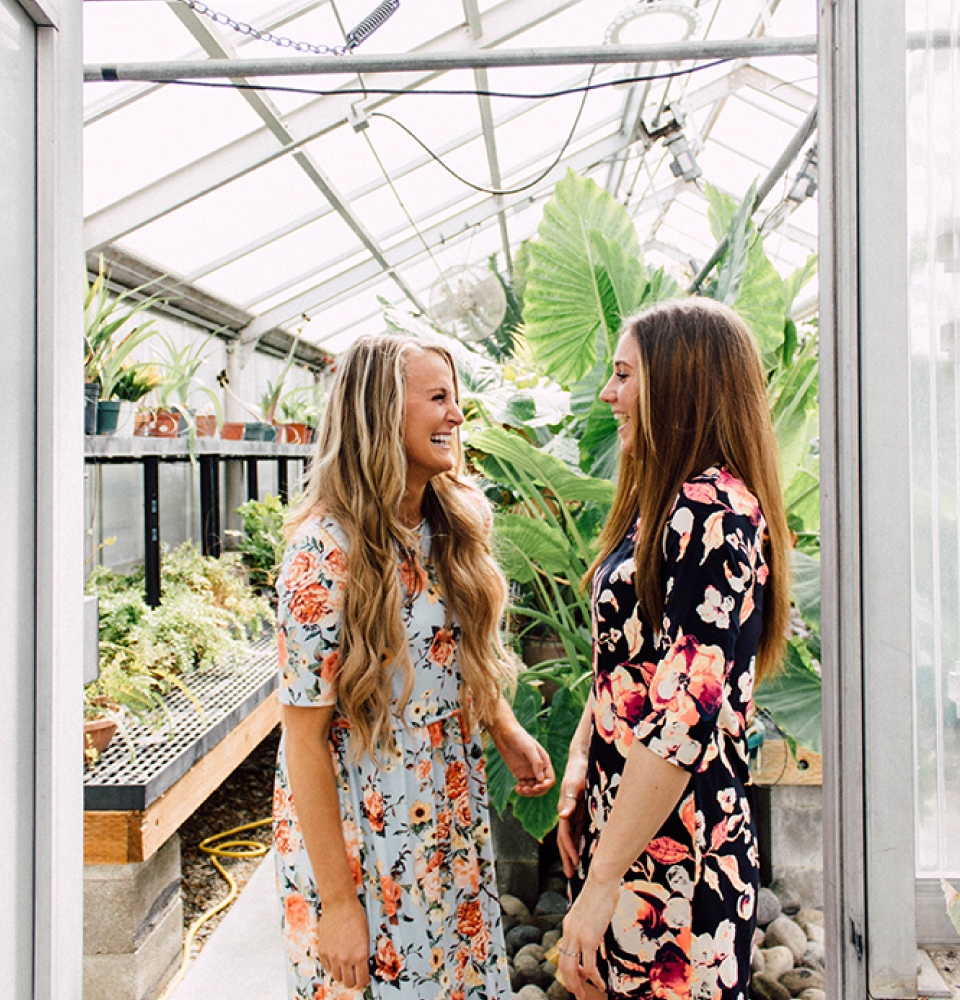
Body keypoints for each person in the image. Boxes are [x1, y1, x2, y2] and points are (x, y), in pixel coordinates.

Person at [272, 333, 555, 1000]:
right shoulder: (323, 554)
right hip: (365, 832)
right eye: (437, 398)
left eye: (454, 398)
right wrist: (340, 905)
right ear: (378, 414)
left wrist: (503, 728)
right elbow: (303, 742)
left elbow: (454, 654)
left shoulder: (450, 523)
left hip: (446, 807)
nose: (456, 414)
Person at [555, 298, 792, 1000]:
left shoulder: (714, 515)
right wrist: (580, 759)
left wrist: (600, 887)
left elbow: (684, 720)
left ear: (680, 385)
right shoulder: (667, 503)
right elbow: (630, 666)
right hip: (635, 830)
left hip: (678, 855)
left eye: (625, 375)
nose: (609, 393)